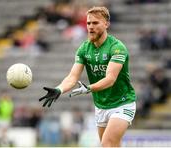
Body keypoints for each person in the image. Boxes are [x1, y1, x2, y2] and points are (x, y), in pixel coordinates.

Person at [39, 6, 136, 147]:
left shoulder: (117, 48)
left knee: (107, 144)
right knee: (113, 145)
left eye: (95, 23)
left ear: (106, 24)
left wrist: (88, 88)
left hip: (122, 103)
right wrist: (59, 89)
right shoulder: (84, 49)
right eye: (88, 23)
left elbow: (110, 79)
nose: (90, 27)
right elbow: (72, 77)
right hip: (101, 105)